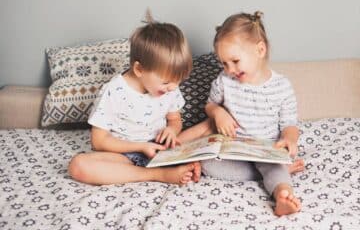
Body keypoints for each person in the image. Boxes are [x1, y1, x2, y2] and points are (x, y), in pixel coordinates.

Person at [178, 11, 301, 216]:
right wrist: (218, 112)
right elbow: (209, 106)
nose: (229, 69)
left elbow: (290, 124)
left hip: (265, 150)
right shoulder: (224, 81)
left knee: (272, 167)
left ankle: (282, 195)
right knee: (208, 163)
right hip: (233, 147)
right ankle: (273, 175)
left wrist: (289, 139)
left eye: (234, 61)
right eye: (224, 63)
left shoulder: (282, 86)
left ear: (260, 50)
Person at [68, 12, 201, 186]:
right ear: (139, 69)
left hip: (161, 149)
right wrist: (140, 147)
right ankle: (158, 174)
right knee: (78, 166)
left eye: (178, 82)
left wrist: (172, 130)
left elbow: (175, 119)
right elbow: (99, 142)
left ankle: (183, 163)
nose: (173, 88)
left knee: (208, 126)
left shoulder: (170, 87)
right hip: (125, 154)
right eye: (167, 82)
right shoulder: (114, 91)